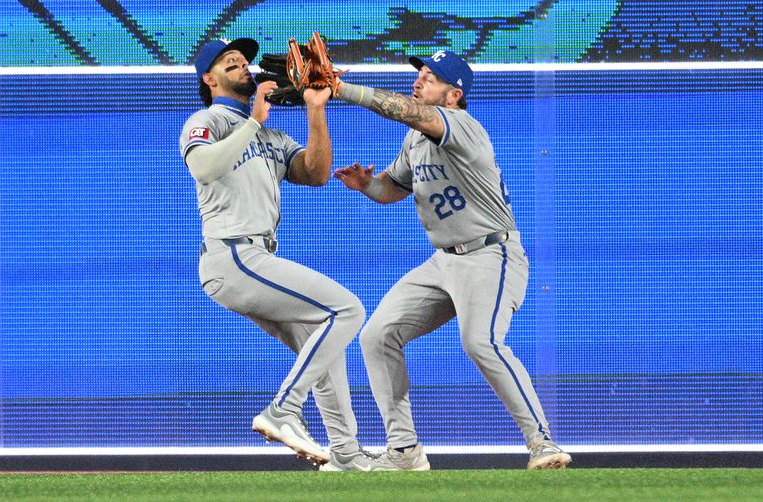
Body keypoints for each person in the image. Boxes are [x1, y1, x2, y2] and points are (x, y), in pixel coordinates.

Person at [331, 50, 572, 470]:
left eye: (431, 77)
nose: (420, 81)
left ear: (453, 94)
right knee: (377, 335)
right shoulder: (416, 139)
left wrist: (341, 89)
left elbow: (404, 111)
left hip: (490, 254)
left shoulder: (460, 125)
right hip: (443, 262)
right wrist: (369, 184)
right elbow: (395, 188)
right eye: (420, 73)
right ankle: (403, 452)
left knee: (481, 342)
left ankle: (543, 443)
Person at [179, 38, 395, 471]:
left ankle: (346, 455)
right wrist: (252, 122)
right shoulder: (206, 120)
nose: (242, 66)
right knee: (346, 310)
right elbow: (203, 167)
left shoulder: (273, 134)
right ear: (209, 78)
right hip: (233, 256)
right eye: (229, 62)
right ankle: (283, 411)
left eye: (244, 61)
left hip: (253, 257)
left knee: (323, 346)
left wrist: (316, 108)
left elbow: (315, 173)